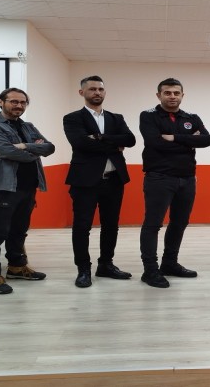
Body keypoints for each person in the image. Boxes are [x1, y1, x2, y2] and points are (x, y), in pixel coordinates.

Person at [0, 87, 55, 294]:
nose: (19, 106)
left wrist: (23, 146)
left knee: (19, 230)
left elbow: (49, 148)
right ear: (0, 102)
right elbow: (6, 150)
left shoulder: (28, 126)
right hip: (3, 187)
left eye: (22, 102)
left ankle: (17, 267)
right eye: (13, 101)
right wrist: (33, 149)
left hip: (28, 186)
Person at [138, 78, 210, 288]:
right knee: (153, 224)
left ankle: (169, 263)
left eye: (176, 93)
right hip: (159, 178)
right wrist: (189, 140)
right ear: (159, 95)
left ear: (182, 95)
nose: (172, 96)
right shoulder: (148, 116)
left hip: (187, 179)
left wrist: (173, 137)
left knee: (179, 223)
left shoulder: (191, 117)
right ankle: (150, 270)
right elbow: (154, 143)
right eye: (167, 93)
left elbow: (206, 140)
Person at [63, 75, 136, 288]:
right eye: (92, 89)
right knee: (82, 226)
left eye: (100, 89)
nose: (97, 92)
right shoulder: (73, 118)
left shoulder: (116, 118)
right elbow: (80, 143)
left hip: (114, 180)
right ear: (82, 92)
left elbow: (130, 140)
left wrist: (100, 137)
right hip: (85, 181)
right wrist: (114, 144)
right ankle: (83, 269)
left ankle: (106, 264)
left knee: (111, 225)